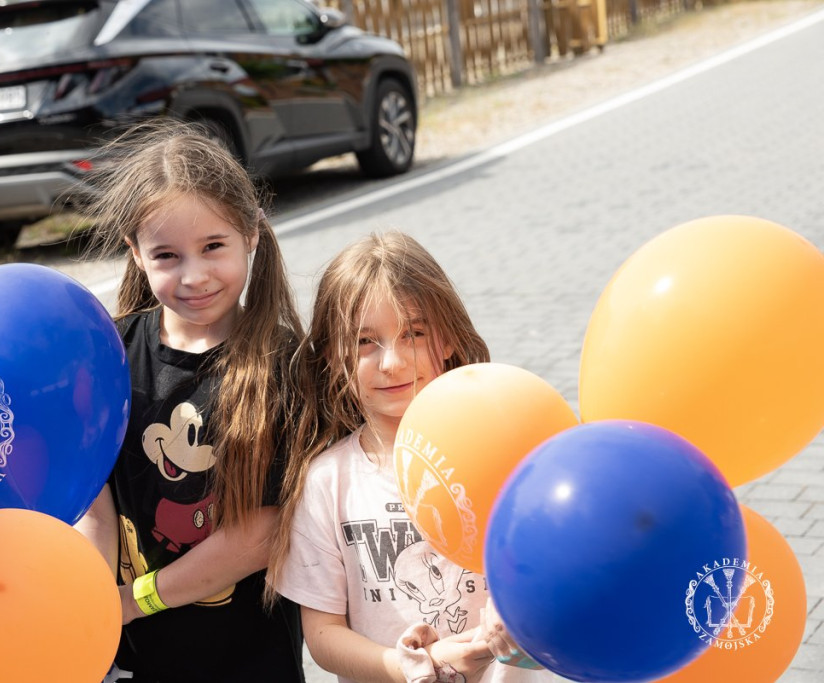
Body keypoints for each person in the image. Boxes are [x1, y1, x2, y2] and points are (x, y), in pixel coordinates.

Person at [76, 120, 305, 682]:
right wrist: (88, 616)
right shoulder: (111, 353)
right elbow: (94, 506)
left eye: (212, 247)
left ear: (251, 233)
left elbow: (261, 535)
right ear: (135, 252)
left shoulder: (285, 362)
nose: (194, 275)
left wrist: (131, 602)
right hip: (134, 663)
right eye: (168, 256)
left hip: (250, 664)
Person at [268, 232, 551, 683]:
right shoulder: (327, 482)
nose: (391, 362)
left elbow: (555, 557)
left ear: (448, 340)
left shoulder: (503, 446)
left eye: (413, 333)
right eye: (365, 341)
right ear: (331, 356)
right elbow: (322, 634)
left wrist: (515, 604)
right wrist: (414, 665)